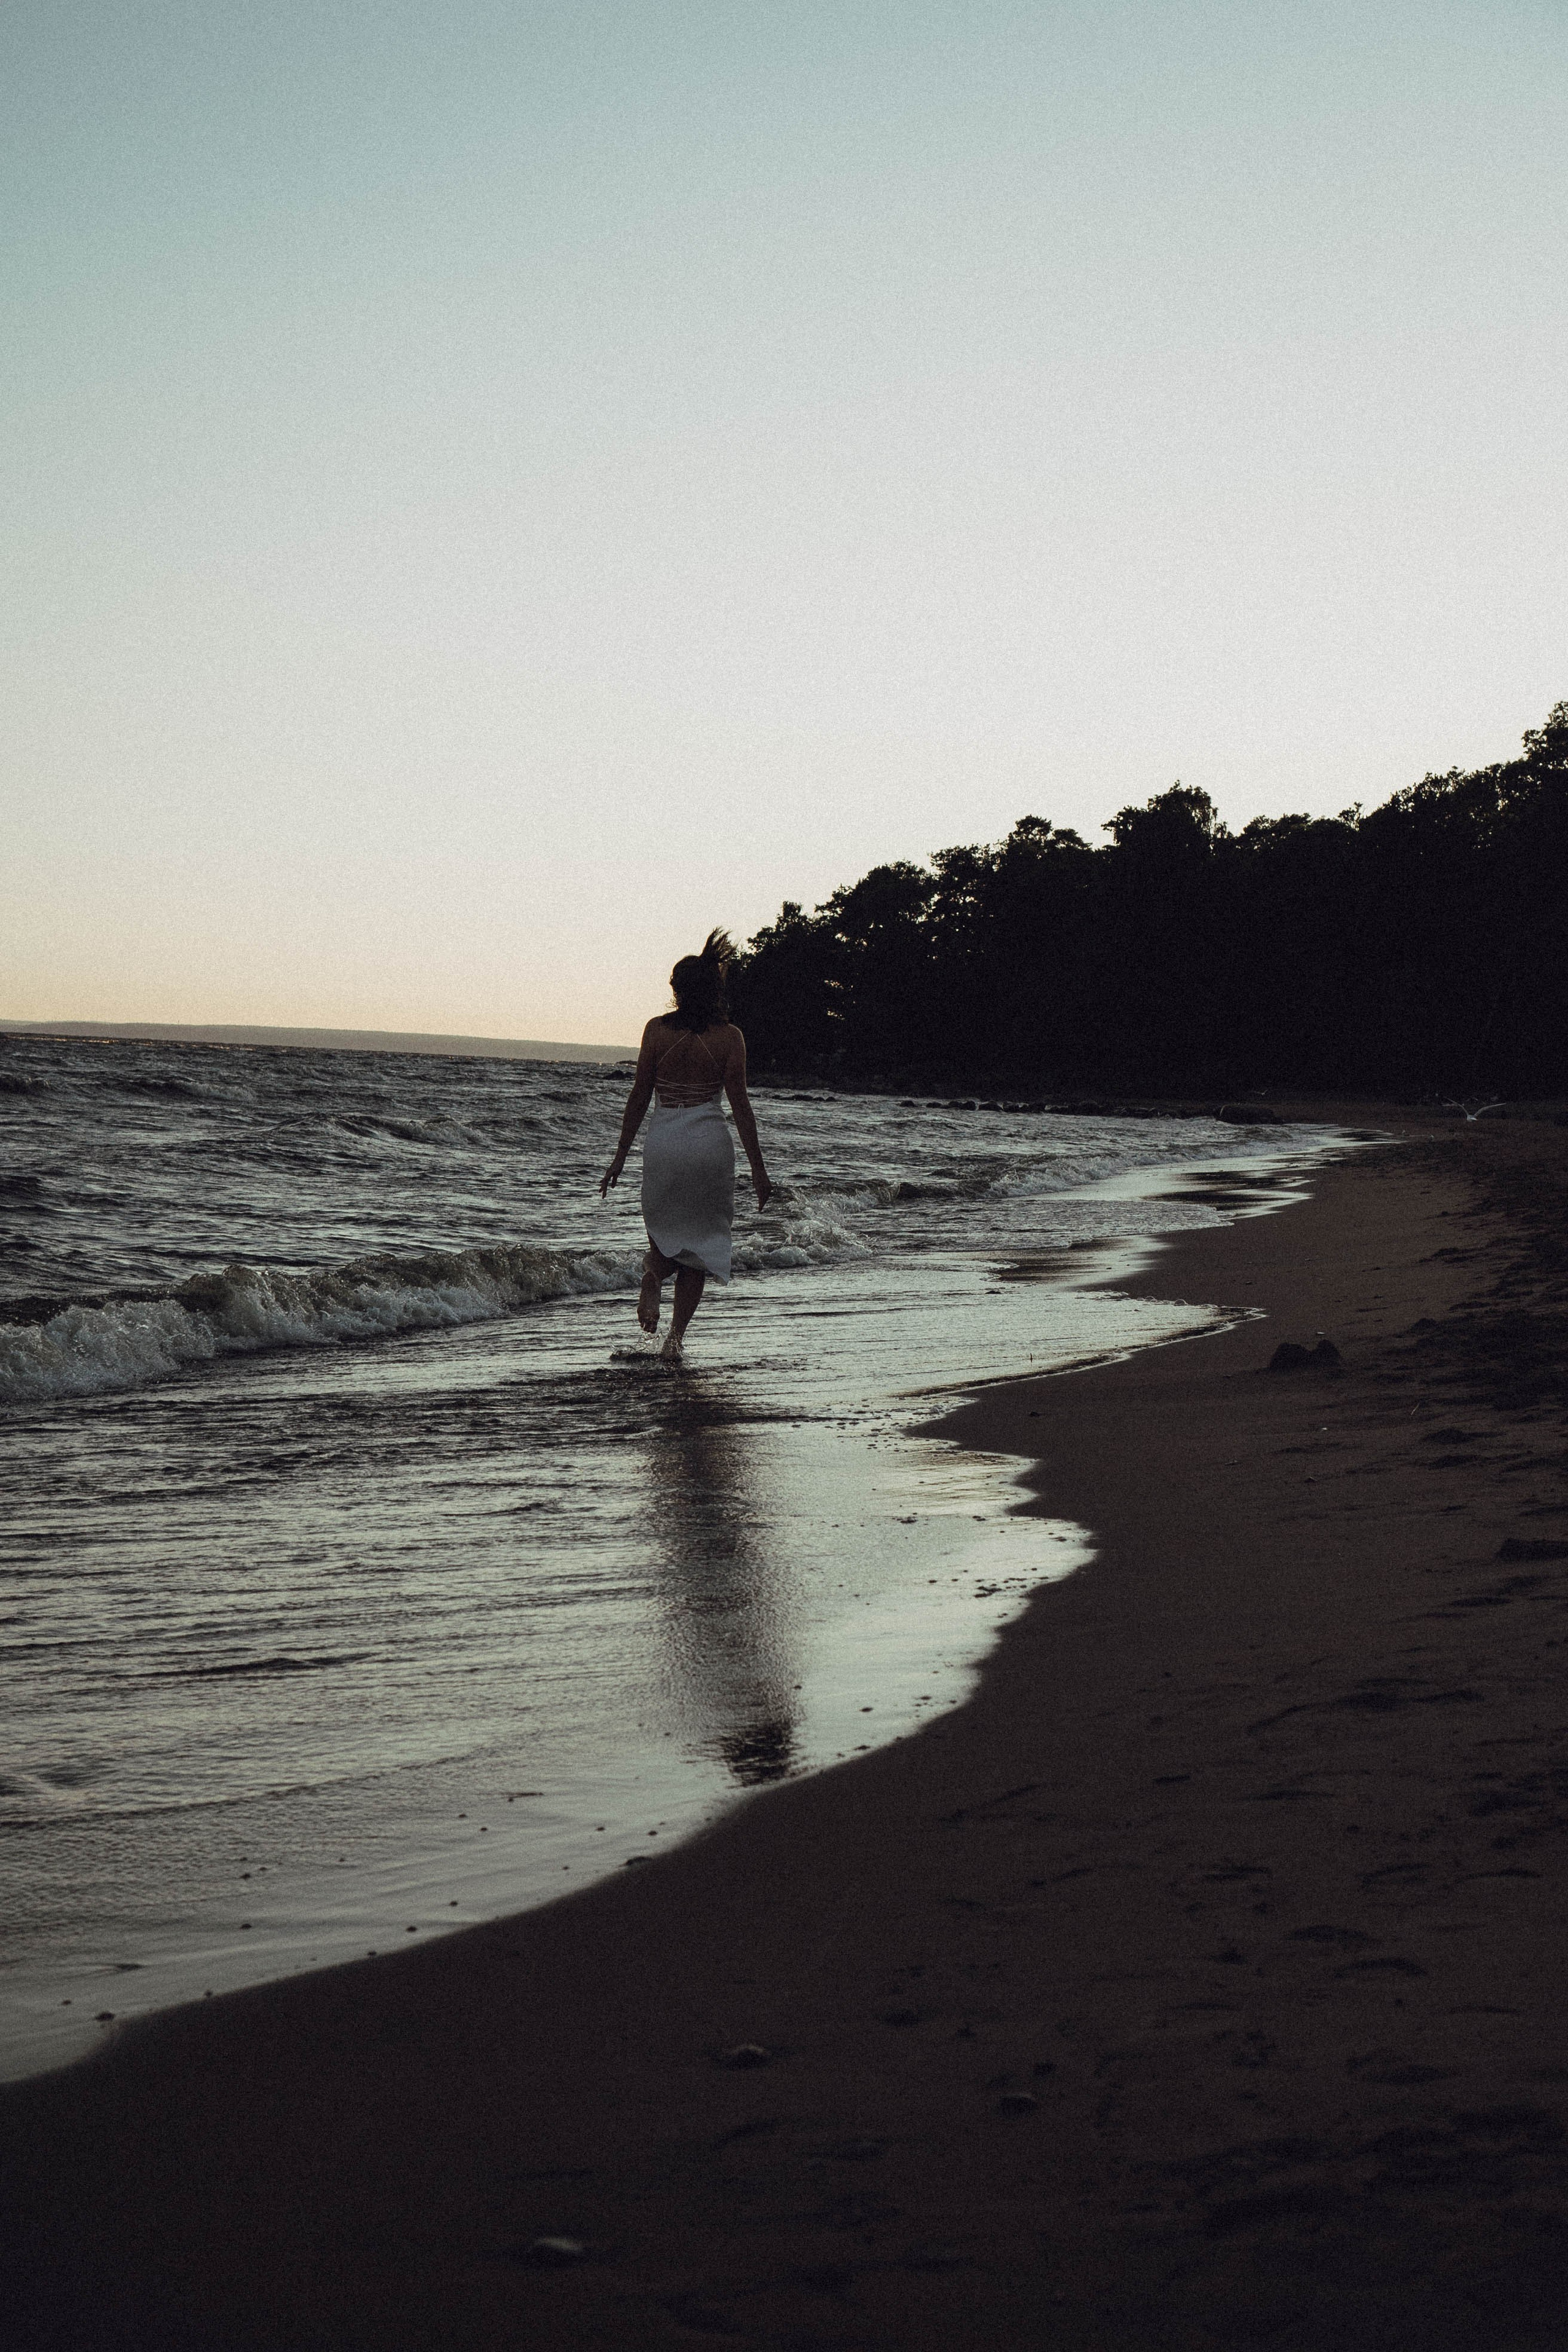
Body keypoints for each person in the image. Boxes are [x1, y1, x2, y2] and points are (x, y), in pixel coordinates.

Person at [599, 930, 772, 1358]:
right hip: (710, 1146)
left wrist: (619, 1156)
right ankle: (674, 1341)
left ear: (676, 990)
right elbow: (742, 1107)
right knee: (700, 1249)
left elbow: (639, 1096)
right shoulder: (730, 1037)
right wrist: (759, 1168)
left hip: (665, 1142)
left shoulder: (656, 1032)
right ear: (715, 991)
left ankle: (653, 1277)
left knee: (663, 1238)